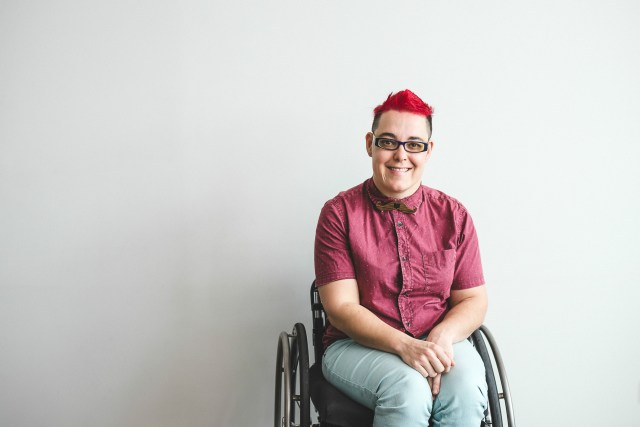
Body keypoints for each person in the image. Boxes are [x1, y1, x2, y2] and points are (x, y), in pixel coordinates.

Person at [314, 89, 488, 426]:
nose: (400, 155)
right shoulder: (339, 214)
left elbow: (473, 300)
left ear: (428, 150)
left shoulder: (454, 215)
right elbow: (342, 309)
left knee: (466, 387)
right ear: (370, 144)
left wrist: (440, 338)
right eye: (388, 142)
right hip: (356, 345)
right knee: (407, 390)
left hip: (439, 337)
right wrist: (407, 347)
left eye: (414, 144)